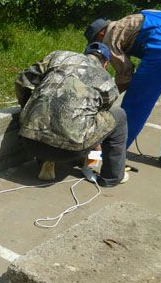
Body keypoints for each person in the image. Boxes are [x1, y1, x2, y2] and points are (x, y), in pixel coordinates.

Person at [85, 11, 161, 169]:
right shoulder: (137, 17)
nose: (100, 49)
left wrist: (104, 102)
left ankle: (111, 157)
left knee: (134, 105)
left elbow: (125, 76)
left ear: (101, 34)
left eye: (97, 43)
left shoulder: (110, 35)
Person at [15, 42, 128, 187]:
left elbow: (22, 81)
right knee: (119, 115)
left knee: (47, 111)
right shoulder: (107, 81)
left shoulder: (59, 56)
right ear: (105, 64)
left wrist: (27, 109)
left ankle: (46, 160)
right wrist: (95, 147)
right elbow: (99, 116)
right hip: (68, 151)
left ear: (84, 53)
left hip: (29, 142)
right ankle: (112, 177)